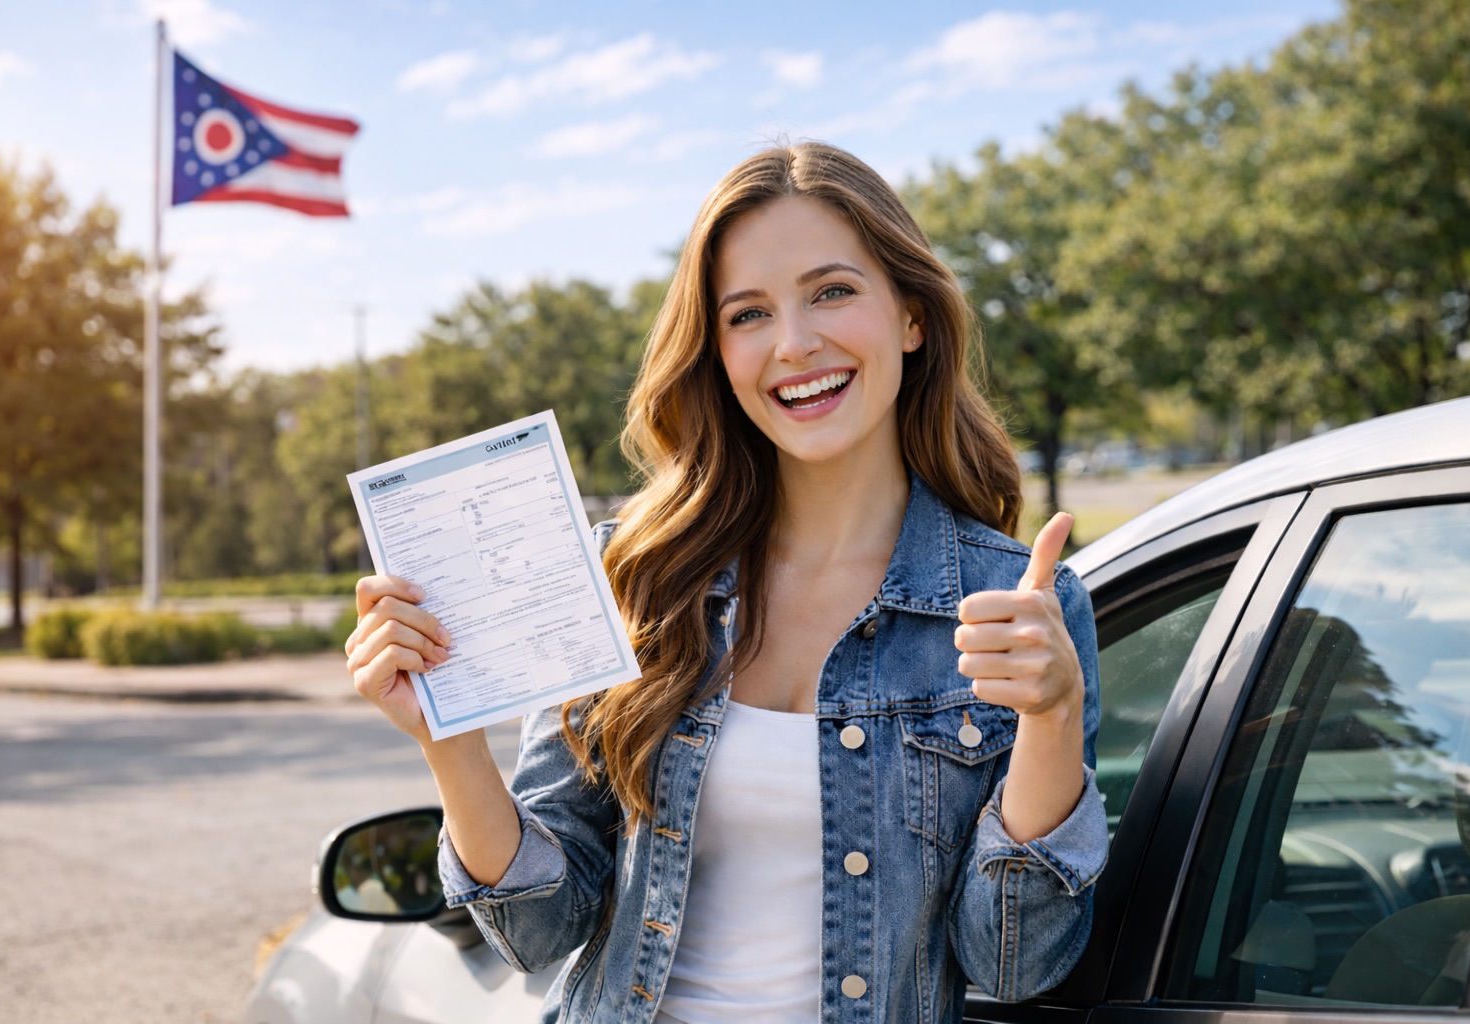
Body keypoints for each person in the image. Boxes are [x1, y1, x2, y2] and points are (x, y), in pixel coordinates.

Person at [343, 141, 1107, 1024]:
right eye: (748, 314)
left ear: (911, 315)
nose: (794, 343)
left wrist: (1049, 718)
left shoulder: (1020, 606)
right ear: (715, 349)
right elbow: (539, 932)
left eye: (832, 291)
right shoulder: (636, 575)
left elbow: (1013, 961)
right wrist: (449, 736)